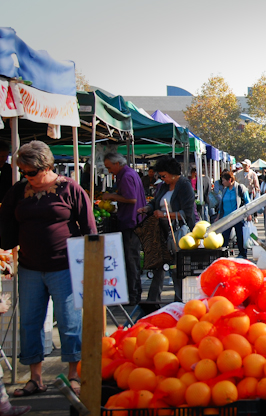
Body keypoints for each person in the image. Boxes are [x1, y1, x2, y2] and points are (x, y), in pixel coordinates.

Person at [0, 141, 93, 397]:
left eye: (32, 172)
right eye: (23, 172)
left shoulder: (69, 189)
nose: (27, 177)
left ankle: (74, 373)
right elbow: (6, 219)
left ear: (48, 167)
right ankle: (36, 378)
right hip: (29, 266)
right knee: (30, 322)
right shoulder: (19, 191)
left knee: (69, 320)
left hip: (64, 266)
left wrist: (91, 264)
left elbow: (88, 226)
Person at [137, 156, 197, 302]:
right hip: (161, 232)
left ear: (173, 173)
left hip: (178, 232)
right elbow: (156, 202)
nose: (162, 179)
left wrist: (164, 214)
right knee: (158, 266)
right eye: (161, 176)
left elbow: (186, 213)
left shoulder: (184, 186)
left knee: (177, 268)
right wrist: (148, 208)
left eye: (164, 176)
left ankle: (180, 300)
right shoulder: (163, 186)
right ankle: (153, 300)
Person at [102, 153, 146, 305]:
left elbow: (131, 198)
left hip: (131, 222)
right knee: (131, 259)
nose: (109, 171)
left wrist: (112, 196)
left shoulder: (126, 176)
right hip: (133, 221)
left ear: (117, 164)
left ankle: (133, 295)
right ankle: (134, 293)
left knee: (130, 259)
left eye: (109, 167)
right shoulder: (129, 173)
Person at [215, 172, 252, 258]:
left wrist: (249, 214)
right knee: (224, 236)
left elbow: (247, 201)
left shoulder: (240, 187)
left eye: (224, 180)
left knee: (240, 235)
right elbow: (222, 204)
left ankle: (242, 253)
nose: (222, 182)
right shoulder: (225, 190)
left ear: (230, 180)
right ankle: (223, 254)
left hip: (238, 217)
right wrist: (218, 216)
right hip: (226, 218)